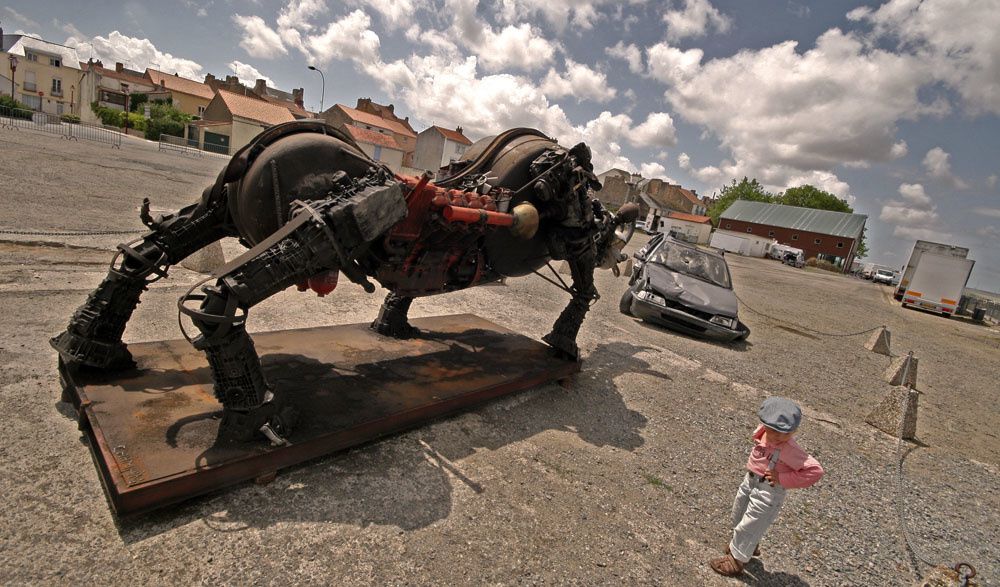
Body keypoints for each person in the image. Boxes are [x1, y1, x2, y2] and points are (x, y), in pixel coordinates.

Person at [710, 397, 825, 577]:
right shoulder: (763, 431)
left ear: (794, 431)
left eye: (785, 433)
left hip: (768, 491)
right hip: (750, 481)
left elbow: (815, 471)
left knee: (750, 524)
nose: (778, 437)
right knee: (739, 515)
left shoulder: (789, 449)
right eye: (774, 431)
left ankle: (736, 561)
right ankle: (746, 546)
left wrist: (783, 478)